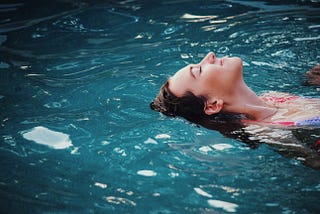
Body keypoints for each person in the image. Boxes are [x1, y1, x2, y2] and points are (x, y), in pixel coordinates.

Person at [150, 52, 320, 127]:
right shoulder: (269, 130)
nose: (210, 55)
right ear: (212, 105)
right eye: (199, 70)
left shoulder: (274, 97)